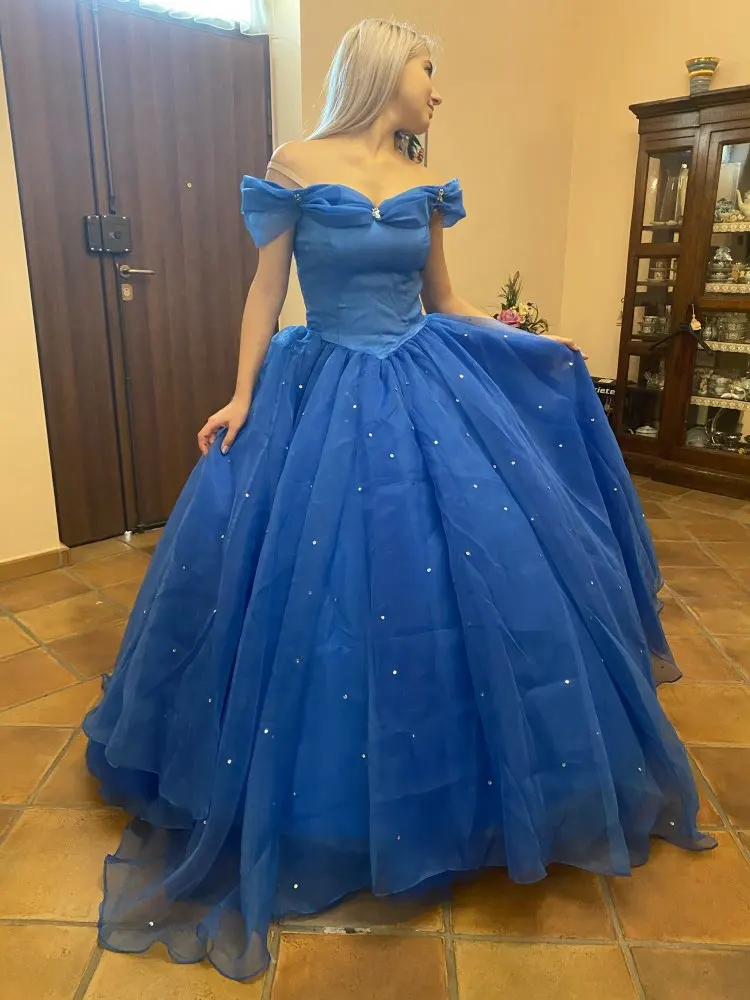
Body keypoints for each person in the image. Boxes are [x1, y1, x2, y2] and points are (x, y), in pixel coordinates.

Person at [83, 17, 715, 983]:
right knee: (324, 595)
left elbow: (444, 301)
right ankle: (323, 805)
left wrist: (528, 342)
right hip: (323, 386)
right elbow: (265, 292)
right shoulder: (295, 164)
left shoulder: (429, 182)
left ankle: (460, 797)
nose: (437, 90)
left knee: (470, 580)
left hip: (424, 380)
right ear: (388, 72)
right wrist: (243, 394)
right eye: (429, 72)